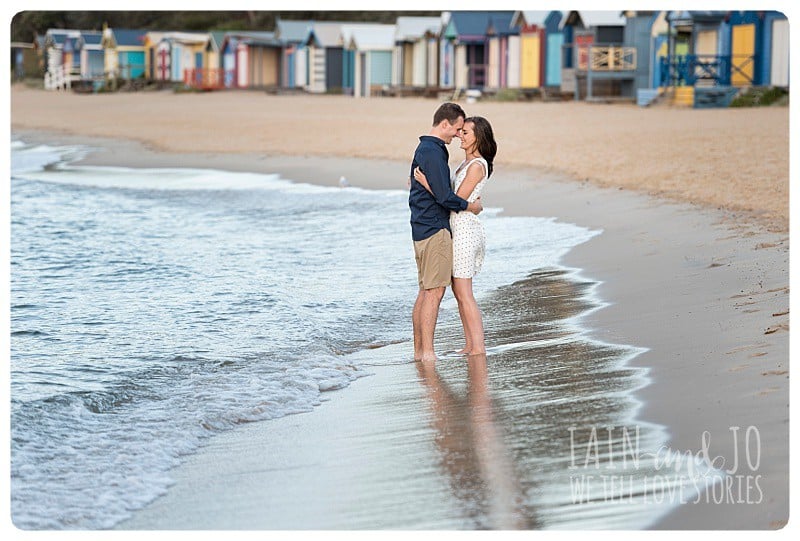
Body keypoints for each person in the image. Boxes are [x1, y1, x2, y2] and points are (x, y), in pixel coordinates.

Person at [414, 116, 497, 355]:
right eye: (460, 131)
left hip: (464, 231)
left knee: (464, 293)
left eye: (466, 133)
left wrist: (428, 184)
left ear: (478, 138)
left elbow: (455, 201)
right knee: (460, 292)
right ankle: (470, 345)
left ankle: (477, 347)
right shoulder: (466, 164)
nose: (460, 135)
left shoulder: (477, 166)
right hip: (457, 229)